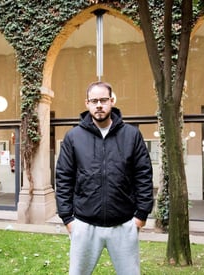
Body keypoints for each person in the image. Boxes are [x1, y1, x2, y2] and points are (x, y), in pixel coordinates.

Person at [55, 81, 154, 275]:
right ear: (87, 103)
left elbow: (143, 175)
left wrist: (141, 215)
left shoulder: (131, 135)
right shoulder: (73, 137)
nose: (99, 105)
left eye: (103, 100)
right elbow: (64, 177)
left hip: (124, 224)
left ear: (112, 101)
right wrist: (67, 218)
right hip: (84, 224)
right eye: (94, 101)